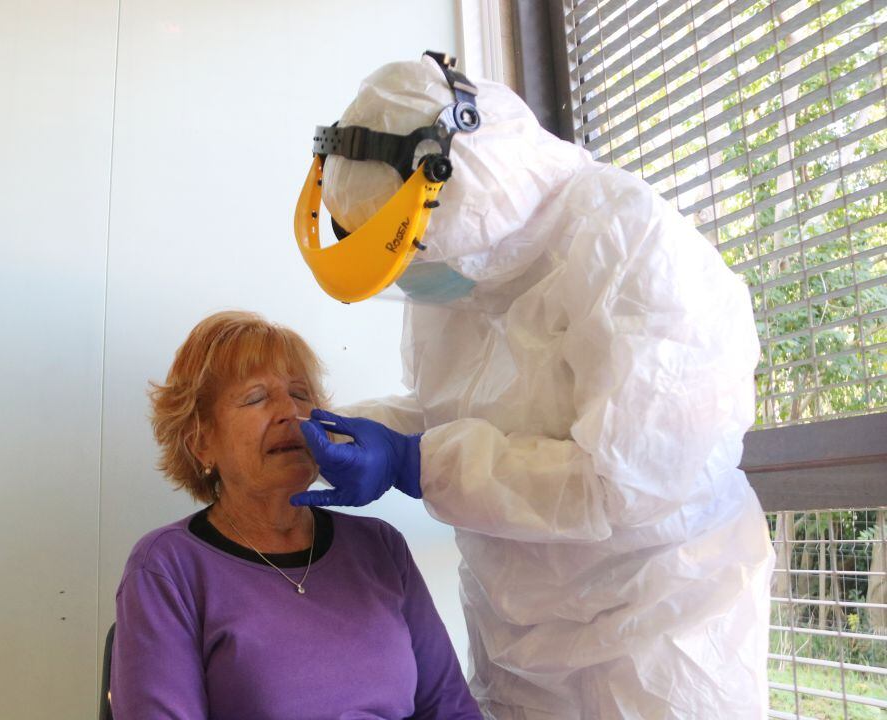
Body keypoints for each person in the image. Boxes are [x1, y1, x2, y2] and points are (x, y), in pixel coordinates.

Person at [290, 53, 775, 718]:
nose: (410, 280)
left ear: (454, 188)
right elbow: (464, 414)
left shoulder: (629, 247)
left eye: (411, 255)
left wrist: (411, 462)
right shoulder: (464, 274)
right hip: (518, 639)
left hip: (659, 634)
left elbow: (620, 480)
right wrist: (351, 427)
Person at [110, 310, 481, 720]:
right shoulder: (168, 569)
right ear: (201, 443)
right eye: (256, 397)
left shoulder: (380, 546)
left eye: (301, 394)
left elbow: (450, 709)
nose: (290, 411)